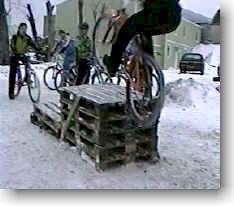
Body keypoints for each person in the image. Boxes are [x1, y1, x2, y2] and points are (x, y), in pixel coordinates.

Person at [104, 0, 182, 76]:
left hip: (159, 13)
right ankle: (147, 71)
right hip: (174, 20)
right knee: (145, 32)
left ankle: (113, 66)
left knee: (125, 30)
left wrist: (124, 5)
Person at [8, 23, 40, 100]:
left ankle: (26, 77)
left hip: (22, 55)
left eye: (25, 28)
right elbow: (12, 46)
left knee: (28, 63)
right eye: (22, 28)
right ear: (19, 29)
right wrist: (15, 53)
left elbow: (33, 45)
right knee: (12, 73)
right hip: (14, 55)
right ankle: (11, 92)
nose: (24, 30)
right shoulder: (15, 37)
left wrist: (39, 49)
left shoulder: (27, 38)